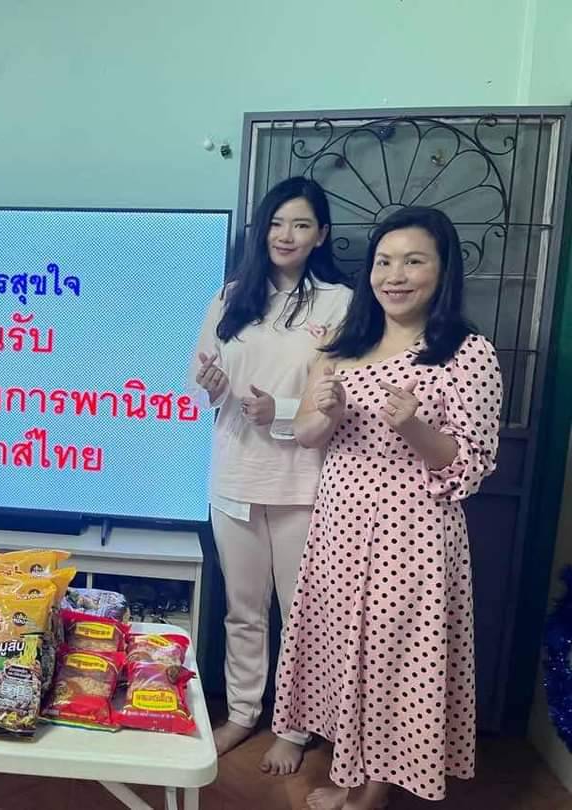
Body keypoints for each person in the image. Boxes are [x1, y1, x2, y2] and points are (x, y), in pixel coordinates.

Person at [273, 207, 502, 810]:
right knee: (342, 655)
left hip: (413, 540)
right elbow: (306, 435)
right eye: (384, 262)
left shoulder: (466, 352)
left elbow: (471, 465)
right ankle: (350, 773)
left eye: (413, 261)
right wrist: (325, 412)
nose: (394, 276)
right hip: (339, 532)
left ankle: (372, 790)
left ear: (442, 271)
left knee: (392, 665)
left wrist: (415, 428)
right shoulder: (343, 344)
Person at [188, 176, 352, 774]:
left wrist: (278, 410)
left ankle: (294, 727)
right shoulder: (232, 296)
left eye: (301, 224)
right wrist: (212, 386)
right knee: (243, 609)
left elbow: (340, 392)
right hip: (234, 474)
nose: (286, 235)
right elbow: (199, 379)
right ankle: (241, 713)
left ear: (321, 235)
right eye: (277, 223)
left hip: (303, 482)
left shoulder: (339, 303)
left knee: (302, 614)